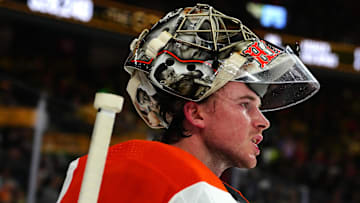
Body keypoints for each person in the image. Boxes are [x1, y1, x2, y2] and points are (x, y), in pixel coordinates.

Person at [56, 4, 320, 203]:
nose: (263, 121)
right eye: (244, 104)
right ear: (195, 112)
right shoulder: (203, 194)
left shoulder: (85, 168)